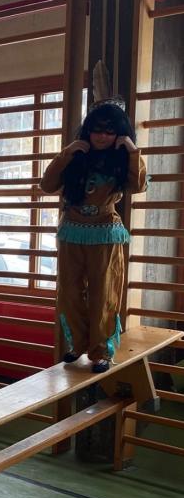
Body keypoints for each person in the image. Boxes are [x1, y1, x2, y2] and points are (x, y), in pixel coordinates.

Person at [40, 100, 147, 373]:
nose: (102, 136)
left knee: (104, 293)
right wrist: (66, 153)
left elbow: (139, 185)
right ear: (88, 130)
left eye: (109, 131)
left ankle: (101, 352)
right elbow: (47, 185)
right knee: (69, 293)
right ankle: (77, 344)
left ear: (119, 133)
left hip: (105, 233)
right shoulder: (76, 155)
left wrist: (132, 150)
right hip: (71, 231)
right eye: (97, 130)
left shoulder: (121, 159)